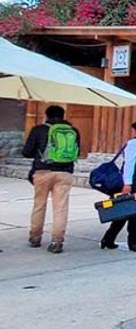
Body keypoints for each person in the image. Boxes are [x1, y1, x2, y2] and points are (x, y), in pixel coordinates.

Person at [21, 105, 80, 254]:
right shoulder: (73, 131)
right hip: (65, 172)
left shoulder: (39, 130)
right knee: (60, 207)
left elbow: (26, 152)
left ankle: (35, 237)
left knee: (39, 205)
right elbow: (76, 152)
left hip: (42, 171)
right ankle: (57, 241)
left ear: (46, 115)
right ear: (63, 115)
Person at [101, 120, 136, 253]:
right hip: (129, 182)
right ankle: (134, 242)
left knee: (124, 213)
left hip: (134, 180)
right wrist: (128, 184)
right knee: (135, 212)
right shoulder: (134, 143)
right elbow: (129, 164)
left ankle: (108, 239)